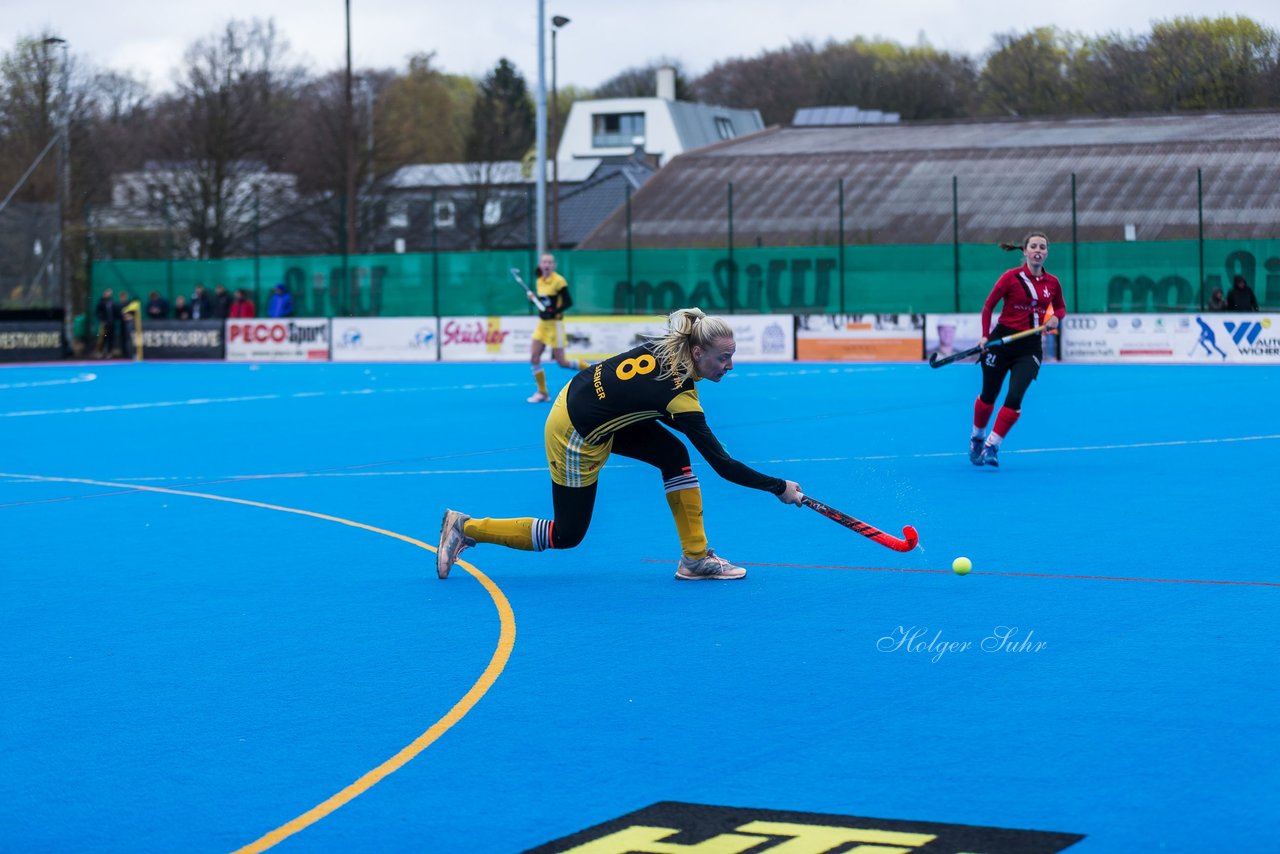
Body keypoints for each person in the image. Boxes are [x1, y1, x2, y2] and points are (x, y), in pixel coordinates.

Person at [438, 307, 804, 581]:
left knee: (673, 454)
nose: (730, 366)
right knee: (567, 534)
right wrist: (779, 487)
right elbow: (723, 466)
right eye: (723, 358)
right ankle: (466, 527)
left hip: (587, 399)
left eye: (732, 356)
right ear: (697, 353)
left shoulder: (673, 346)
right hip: (575, 432)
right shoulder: (678, 397)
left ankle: (694, 558)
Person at [967, 232, 1065, 468]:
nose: (1038, 250)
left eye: (1043, 247)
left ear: (1047, 253)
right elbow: (988, 306)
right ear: (1025, 251)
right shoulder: (1010, 278)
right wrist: (983, 336)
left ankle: (992, 446)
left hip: (1029, 346)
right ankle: (977, 437)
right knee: (988, 395)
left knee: (1014, 396)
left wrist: (1055, 319)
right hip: (1001, 342)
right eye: (1034, 246)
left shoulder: (1053, 282)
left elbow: (1060, 308)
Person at [526, 253, 589, 403]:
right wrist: (534, 298)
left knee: (562, 362)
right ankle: (542, 393)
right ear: (541, 265)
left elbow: (568, 302)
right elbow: (545, 302)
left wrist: (553, 311)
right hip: (542, 324)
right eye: (544, 262)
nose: (546, 265)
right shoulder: (539, 280)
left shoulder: (559, 281)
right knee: (534, 358)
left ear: (554, 265)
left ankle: (592, 370)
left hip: (555, 325)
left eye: (549, 262)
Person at [94, 288, 118, 358]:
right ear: (104, 294)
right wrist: (102, 320)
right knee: (102, 338)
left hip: (111, 323)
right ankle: (99, 352)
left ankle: (109, 352)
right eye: (108, 293)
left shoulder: (111, 302)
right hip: (104, 324)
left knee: (110, 338)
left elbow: (115, 312)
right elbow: (98, 312)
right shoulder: (101, 302)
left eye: (110, 293)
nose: (109, 295)